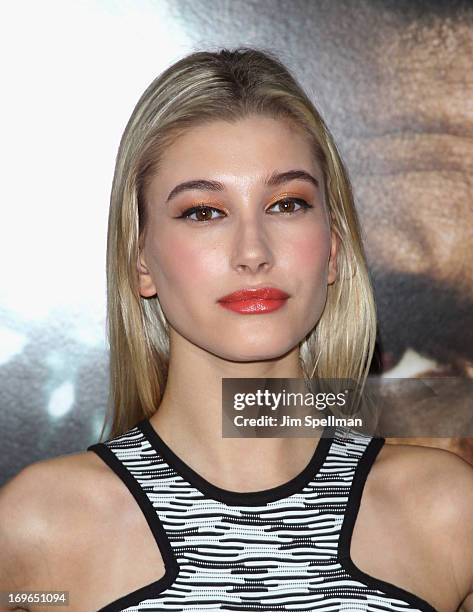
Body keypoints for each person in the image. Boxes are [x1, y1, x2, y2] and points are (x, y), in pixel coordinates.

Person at [1, 47, 472, 612]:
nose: (253, 251)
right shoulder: (39, 528)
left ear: (333, 249)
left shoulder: (448, 512)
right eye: (204, 211)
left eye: (286, 204)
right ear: (140, 261)